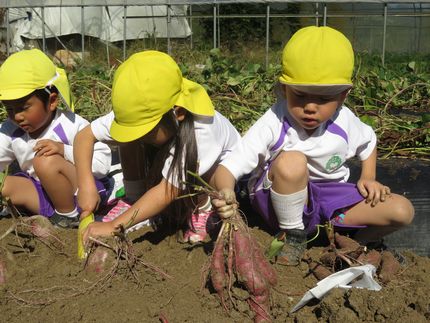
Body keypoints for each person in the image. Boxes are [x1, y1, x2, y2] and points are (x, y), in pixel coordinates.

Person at [212, 26, 415, 266]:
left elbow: (369, 141)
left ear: (343, 95)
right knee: (293, 161)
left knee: (402, 211)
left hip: (329, 199)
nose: (310, 107)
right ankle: (293, 236)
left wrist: (368, 176)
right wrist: (225, 191)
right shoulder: (274, 121)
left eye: (322, 98)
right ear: (284, 89)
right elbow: (228, 168)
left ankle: (357, 242)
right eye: (300, 95)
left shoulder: (345, 120)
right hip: (279, 201)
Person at [75, 50, 240, 243]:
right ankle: (134, 200)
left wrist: (114, 226)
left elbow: (166, 191)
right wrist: (86, 184)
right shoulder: (139, 110)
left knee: (209, 167)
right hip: (174, 183)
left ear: (177, 112)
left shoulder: (203, 131)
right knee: (127, 137)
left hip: (214, 185)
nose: (142, 135)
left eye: (148, 129)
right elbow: (84, 137)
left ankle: (203, 210)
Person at [0, 49, 113, 228]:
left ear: (52, 101)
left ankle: (68, 217)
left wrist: (64, 150)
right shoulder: (10, 129)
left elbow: (102, 165)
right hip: (44, 193)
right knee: (3, 184)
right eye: (10, 109)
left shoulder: (71, 125)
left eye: (24, 107)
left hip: (83, 193)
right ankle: (53, 215)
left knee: (45, 161)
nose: (17, 116)